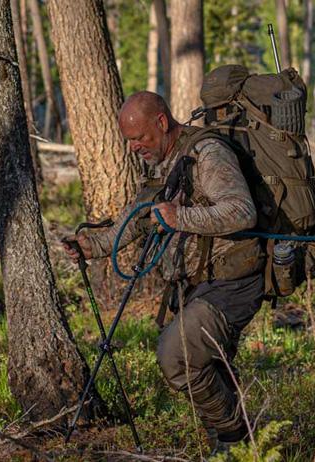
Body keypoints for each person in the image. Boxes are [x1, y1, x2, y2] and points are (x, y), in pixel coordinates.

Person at [63, 91, 264, 452]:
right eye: (129, 141)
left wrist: (180, 217)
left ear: (162, 122)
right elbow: (138, 218)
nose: (134, 147)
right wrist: (90, 246)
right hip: (199, 284)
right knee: (208, 368)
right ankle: (234, 445)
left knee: (177, 355)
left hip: (232, 280)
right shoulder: (166, 163)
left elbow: (242, 211)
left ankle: (237, 441)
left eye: (139, 137)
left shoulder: (207, 154)